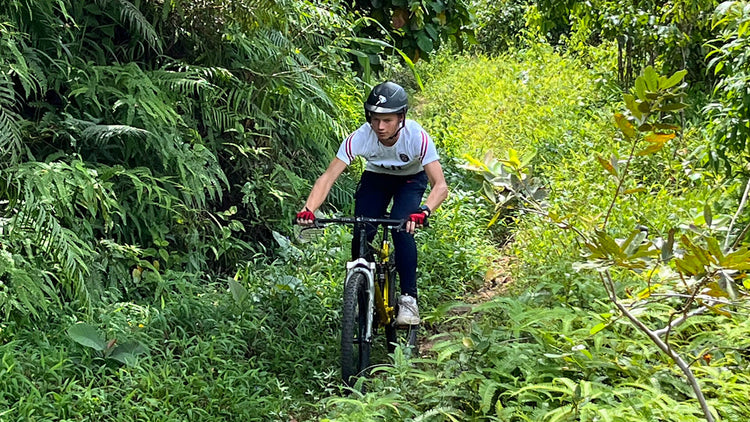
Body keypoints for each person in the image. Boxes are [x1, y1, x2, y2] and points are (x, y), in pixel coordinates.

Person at [296, 81, 448, 325]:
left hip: (410, 179)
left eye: (387, 120)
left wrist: (424, 211)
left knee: (402, 228)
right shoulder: (360, 137)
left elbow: (440, 185)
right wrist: (309, 209)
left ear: (401, 117)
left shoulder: (417, 137)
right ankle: (359, 293)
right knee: (362, 228)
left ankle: (409, 298)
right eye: (375, 119)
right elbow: (327, 177)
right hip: (376, 178)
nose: (380, 126)